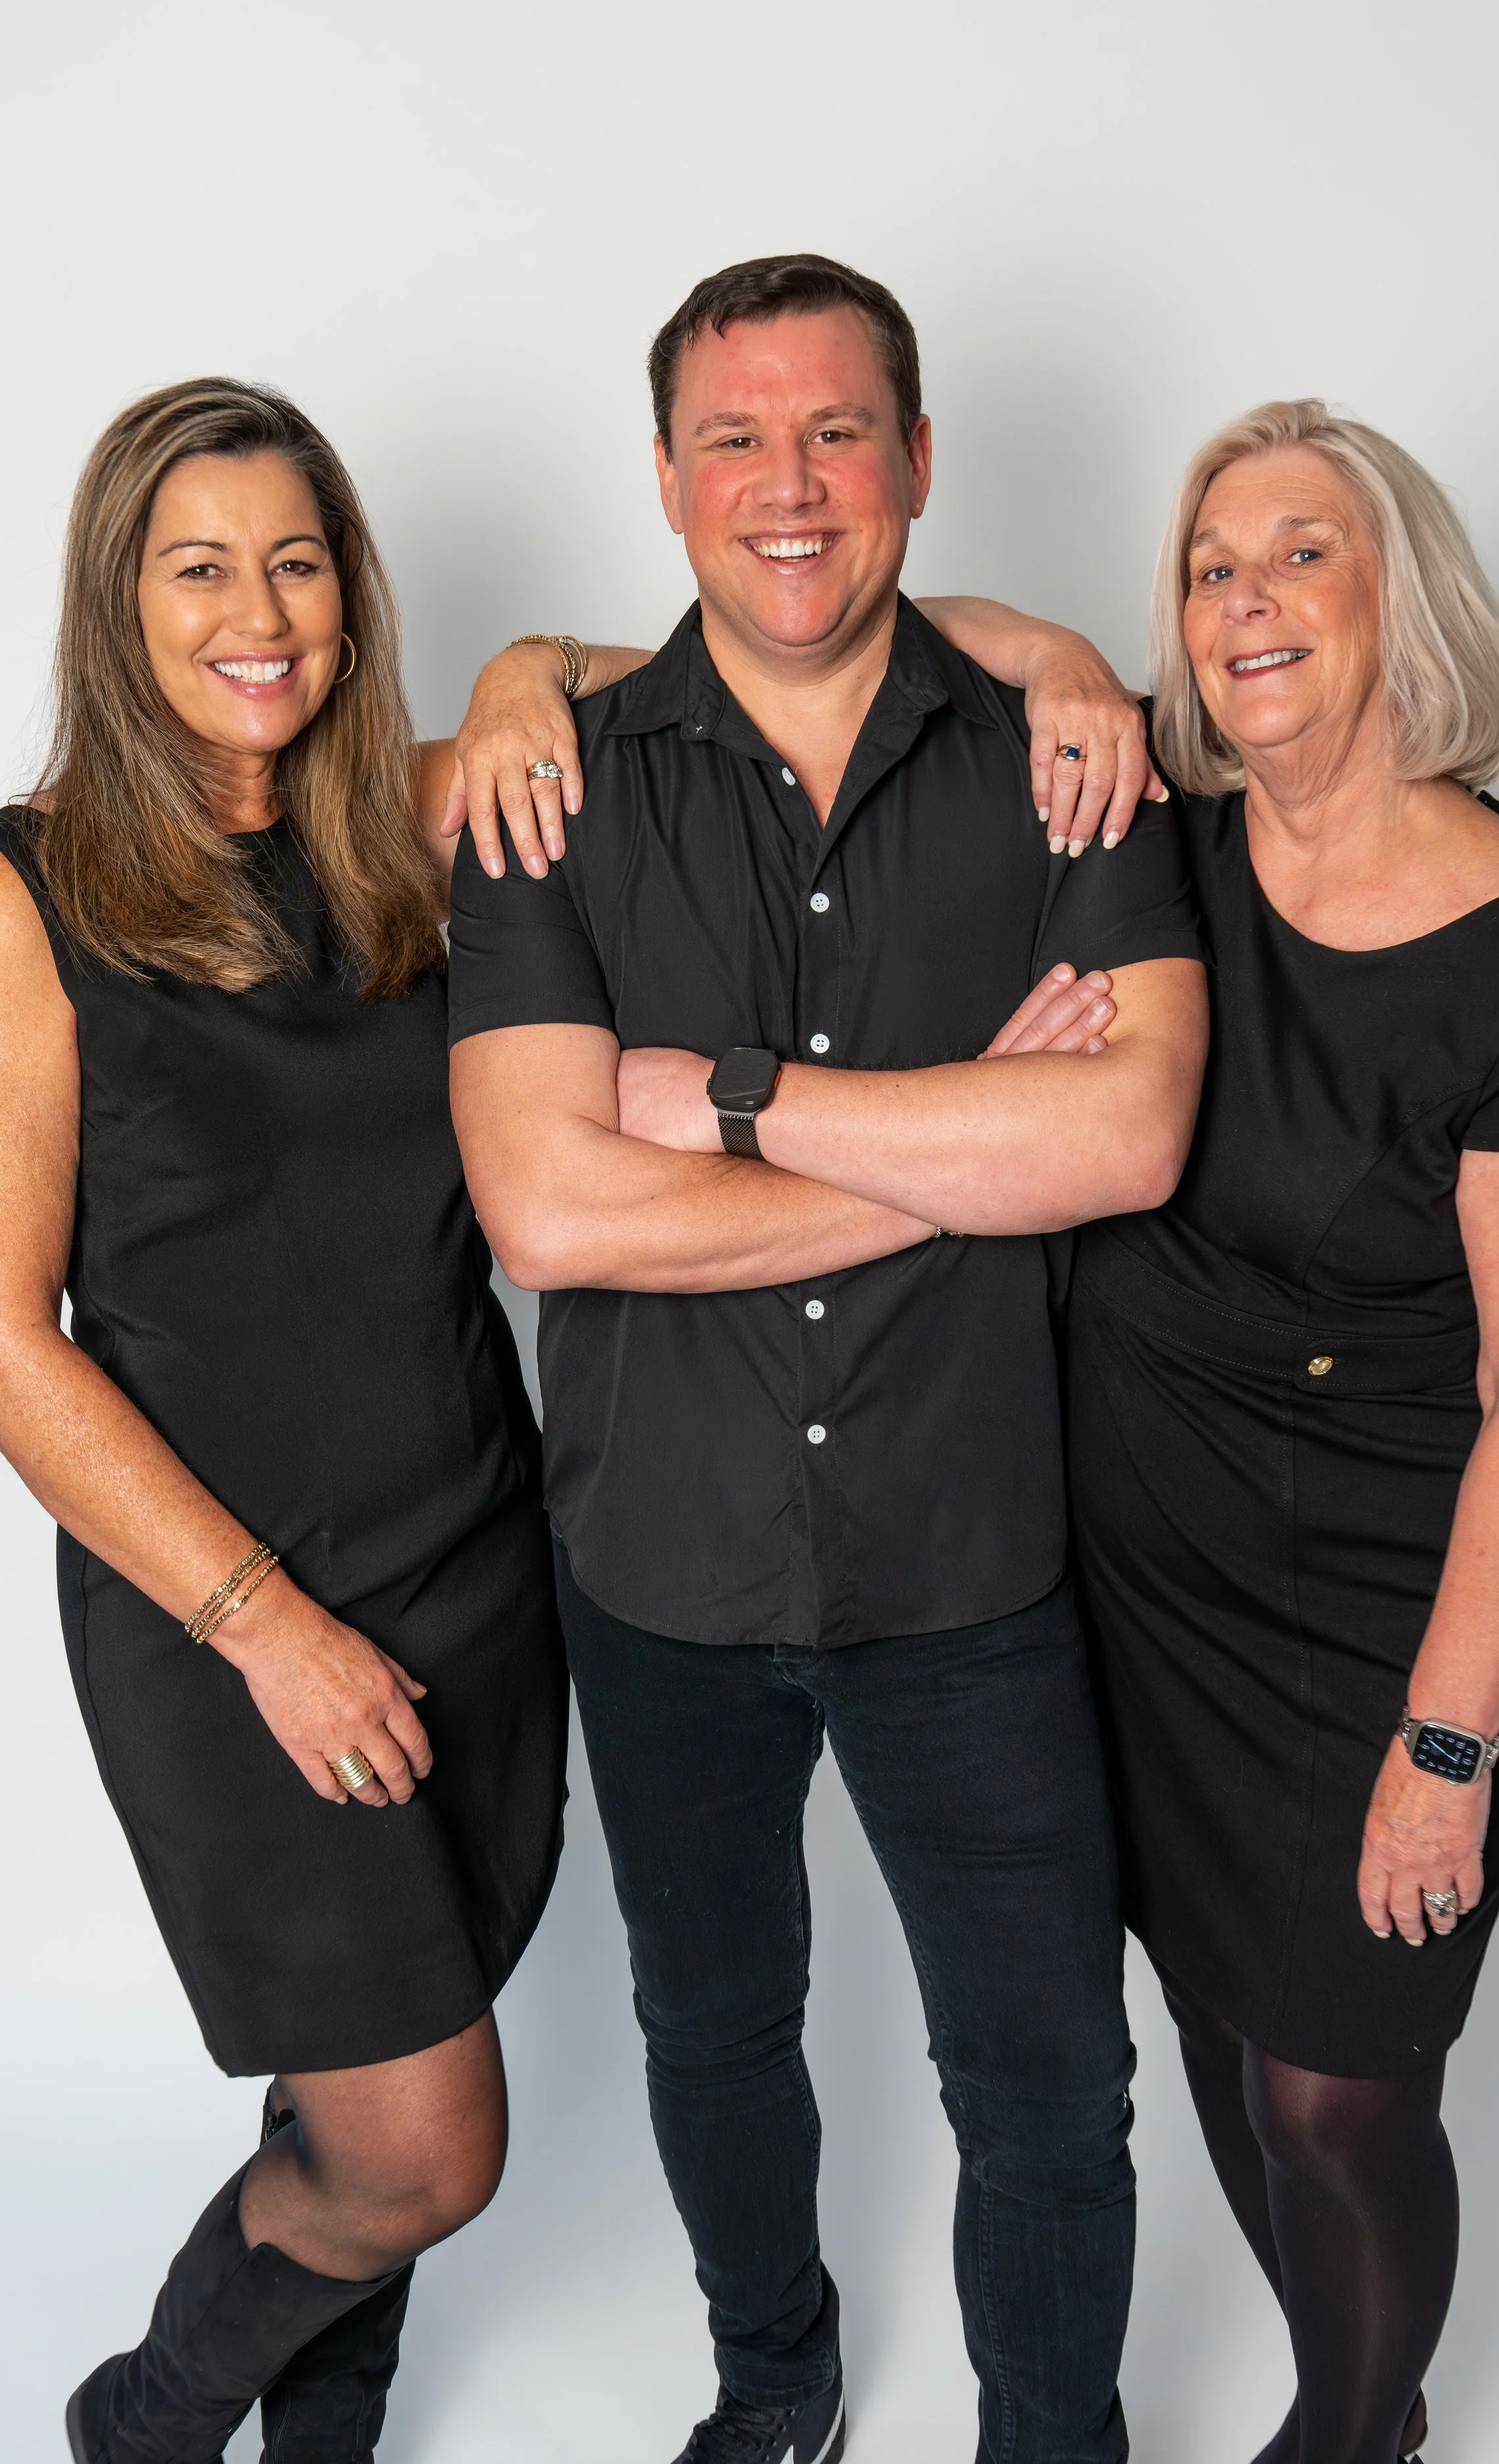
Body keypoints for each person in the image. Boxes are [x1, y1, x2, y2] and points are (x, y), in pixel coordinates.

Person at [443, 253, 1207, 2464]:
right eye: (736, 439)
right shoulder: (547, 784)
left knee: (1045, 2074)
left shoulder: (1069, 760)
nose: (789, 485)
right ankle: (774, 2388)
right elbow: (551, 1211)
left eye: (837, 431)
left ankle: (1049, 2435)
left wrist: (736, 1098)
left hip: (975, 1550)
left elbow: (1125, 1137)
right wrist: (971, 1148)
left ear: (919, 459)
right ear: (666, 479)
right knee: (711, 2029)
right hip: (657, 1558)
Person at [1056, 399, 1499, 2464]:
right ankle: (1358, 2408)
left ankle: (1348, 2429)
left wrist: (1443, 1749)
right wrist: (535, 677)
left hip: (1386, 1610)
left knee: (1337, 2081)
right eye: (1208, 565)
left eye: (1299, 551)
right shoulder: (1167, 840)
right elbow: (892, 652)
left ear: (1404, 595)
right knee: (1218, 2009)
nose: (1244, 599)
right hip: (1149, 1580)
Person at [0, 378, 570, 2464]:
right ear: (117, 604)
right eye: (200, 567)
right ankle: (144, 2420)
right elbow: (6, 1343)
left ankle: (321, 2443)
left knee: (354, 2092)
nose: (260, 613)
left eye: (299, 562)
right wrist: (265, 1626)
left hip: (472, 1562)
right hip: (222, 1612)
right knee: (422, 2149)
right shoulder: (29, 891)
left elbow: (696, 675)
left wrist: (523, 671)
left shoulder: (408, 824)